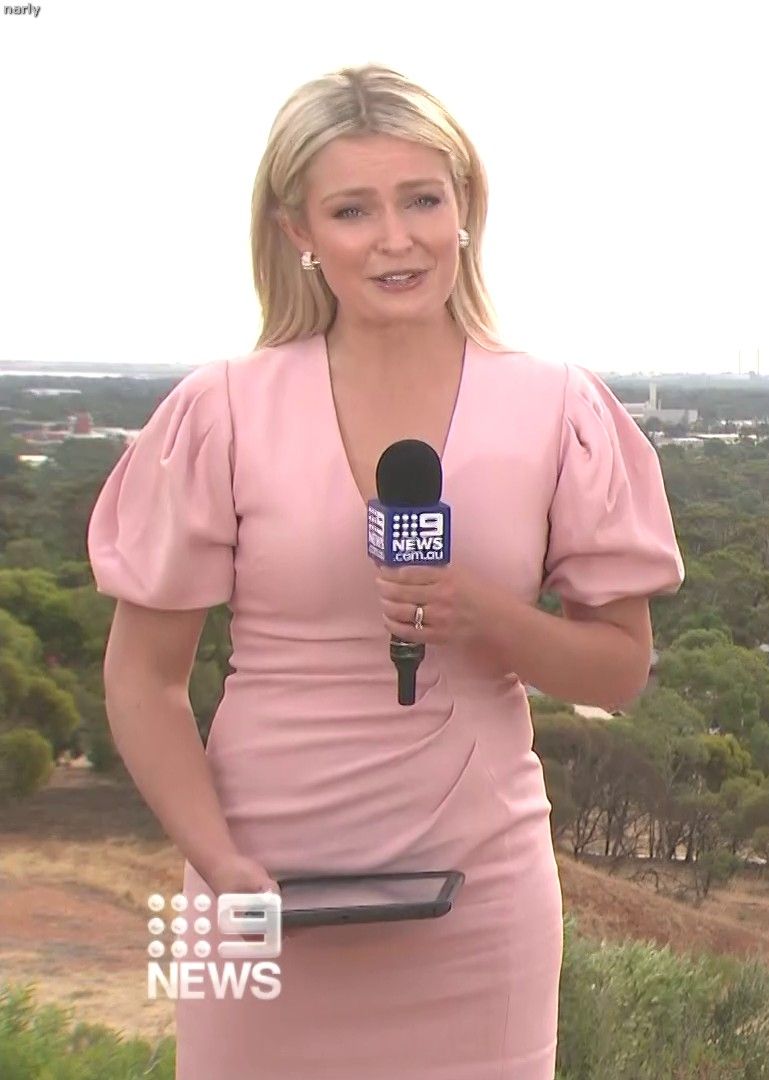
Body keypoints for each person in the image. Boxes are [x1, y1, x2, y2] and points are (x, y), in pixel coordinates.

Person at [88, 63, 684, 1078]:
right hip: (255, 892)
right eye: (353, 210)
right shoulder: (221, 411)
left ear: (466, 207)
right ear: (299, 231)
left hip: (479, 903)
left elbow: (619, 669)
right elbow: (142, 679)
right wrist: (219, 862)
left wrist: (484, 615)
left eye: (422, 200)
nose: (396, 238)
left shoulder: (559, 409)